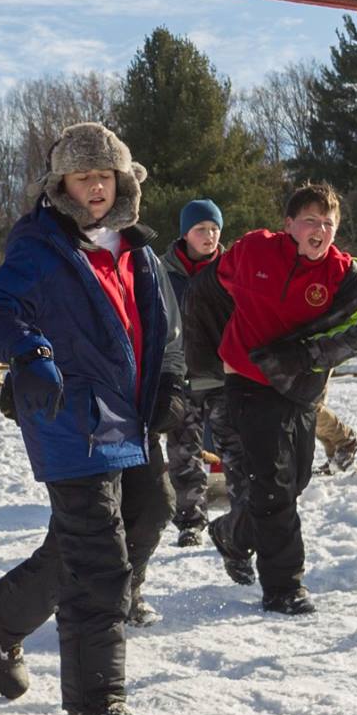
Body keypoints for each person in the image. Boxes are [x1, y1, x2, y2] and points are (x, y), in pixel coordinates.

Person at [0, 121, 181, 715]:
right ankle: (93, 707)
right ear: (60, 185)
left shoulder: (138, 250)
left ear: (122, 182)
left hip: (130, 416)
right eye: (82, 178)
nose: (94, 189)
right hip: (71, 417)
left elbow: (163, 332)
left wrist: (168, 379)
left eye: (104, 177)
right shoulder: (41, 246)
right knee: (98, 563)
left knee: (146, 514)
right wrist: (29, 352)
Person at [206, 184, 357, 615]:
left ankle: (232, 533)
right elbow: (218, 281)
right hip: (246, 378)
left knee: (293, 482)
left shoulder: (342, 275)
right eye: (310, 221)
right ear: (290, 226)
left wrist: (304, 355)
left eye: (328, 223)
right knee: (274, 483)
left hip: (300, 385)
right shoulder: (254, 250)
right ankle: (284, 587)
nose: (320, 230)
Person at [160, 198, 224, 545]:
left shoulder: (230, 269)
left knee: (237, 448)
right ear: (186, 233)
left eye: (215, 230)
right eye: (201, 229)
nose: (210, 236)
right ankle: (190, 520)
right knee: (184, 451)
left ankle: (245, 515)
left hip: (223, 373)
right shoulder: (161, 272)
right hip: (180, 374)